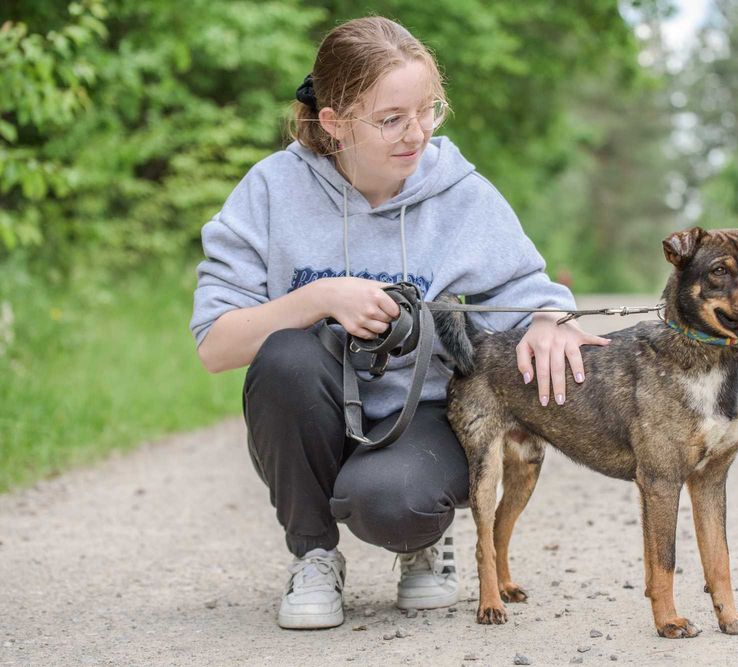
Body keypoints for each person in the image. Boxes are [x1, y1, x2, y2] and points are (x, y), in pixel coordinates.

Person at [189, 16, 609, 630]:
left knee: (390, 502)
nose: (416, 135)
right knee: (285, 357)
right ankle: (312, 555)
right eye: (391, 119)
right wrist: (320, 298)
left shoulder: (459, 193)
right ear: (333, 123)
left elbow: (531, 292)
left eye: (428, 111)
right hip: (321, 413)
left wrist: (549, 319)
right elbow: (216, 346)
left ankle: (423, 541)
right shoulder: (272, 191)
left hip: (428, 419)